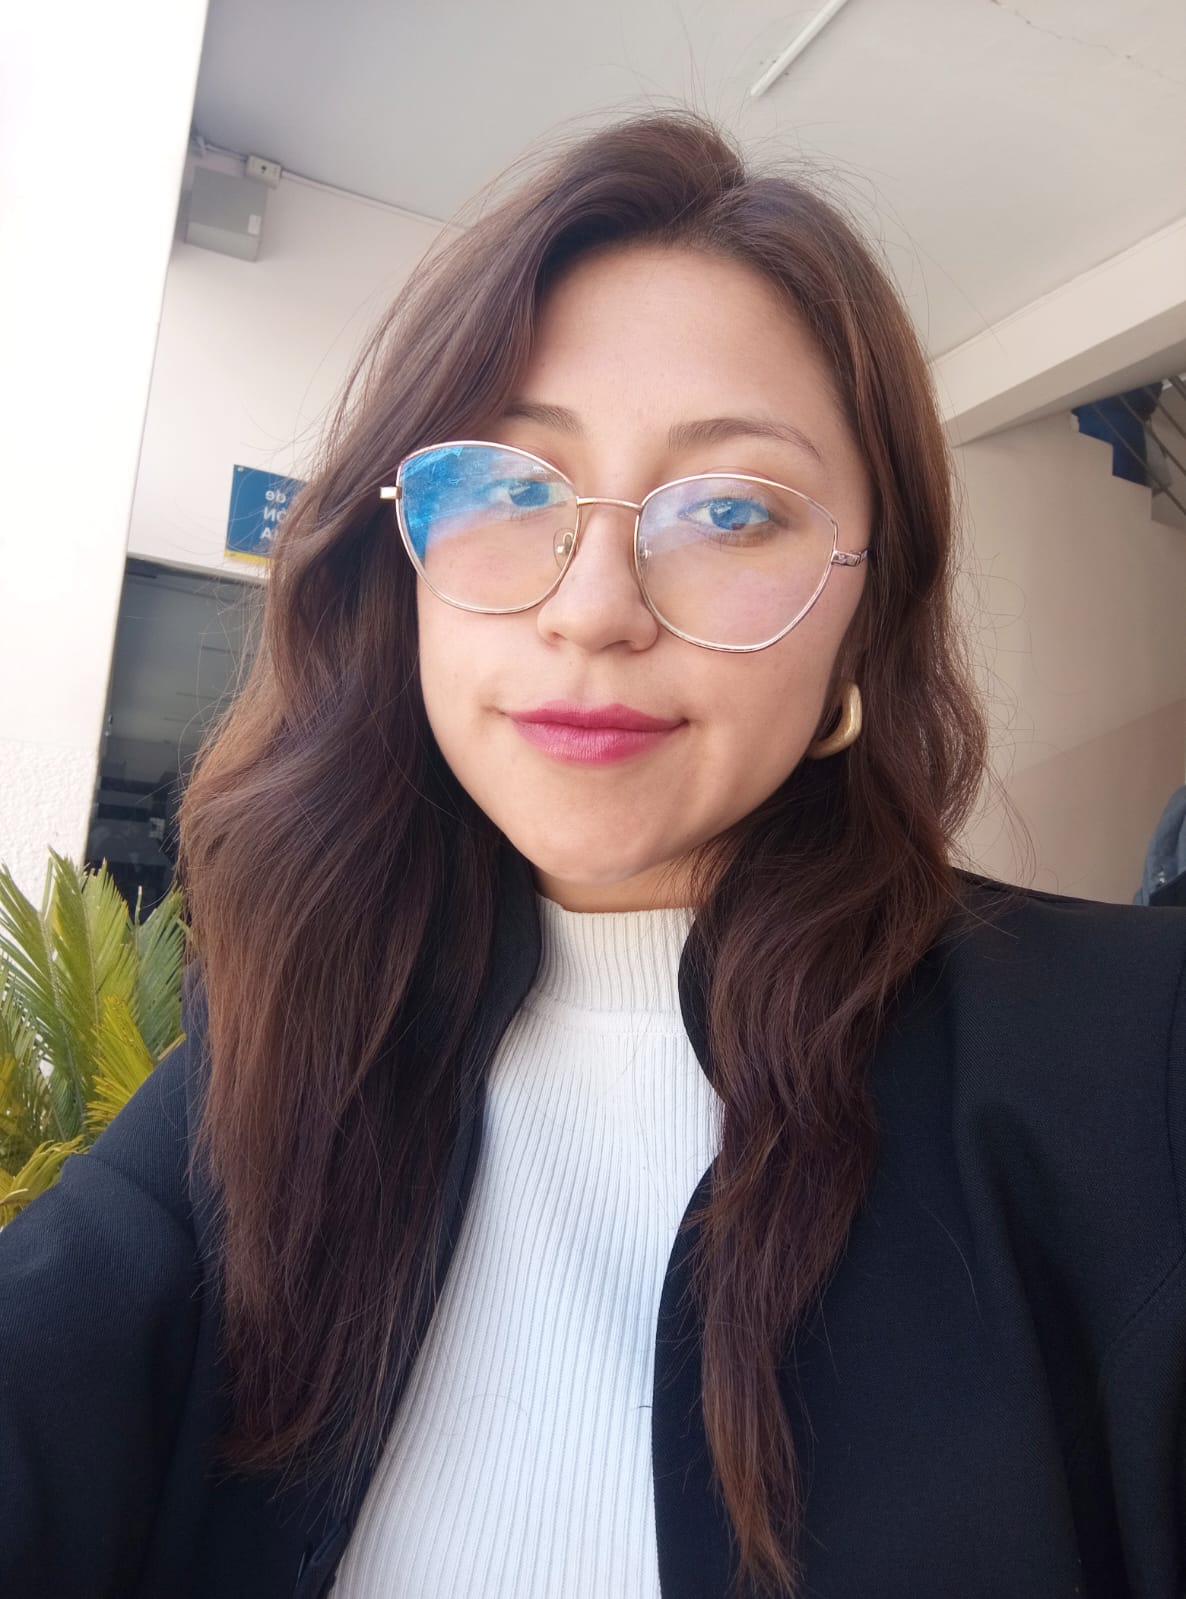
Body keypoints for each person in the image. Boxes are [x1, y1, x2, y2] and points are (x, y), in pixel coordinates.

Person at [3, 111, 1185, 1599]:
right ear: (402, 563)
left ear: (863, 616)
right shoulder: (290, 1034)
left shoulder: (1136, 1057)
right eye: (510, 488)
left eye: (731, 511)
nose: (594, 608)